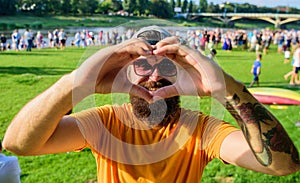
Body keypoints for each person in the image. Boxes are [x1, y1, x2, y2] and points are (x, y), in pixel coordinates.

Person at [3, 26, 300, 183]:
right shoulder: (105, 123)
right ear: (127, 72)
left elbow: (283, 165)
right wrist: (75, 83)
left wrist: (227, 88)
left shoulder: (201, 129)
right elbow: (17, 144)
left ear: (183, 74)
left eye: (168, 67)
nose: (155, 76)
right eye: (143, 65)